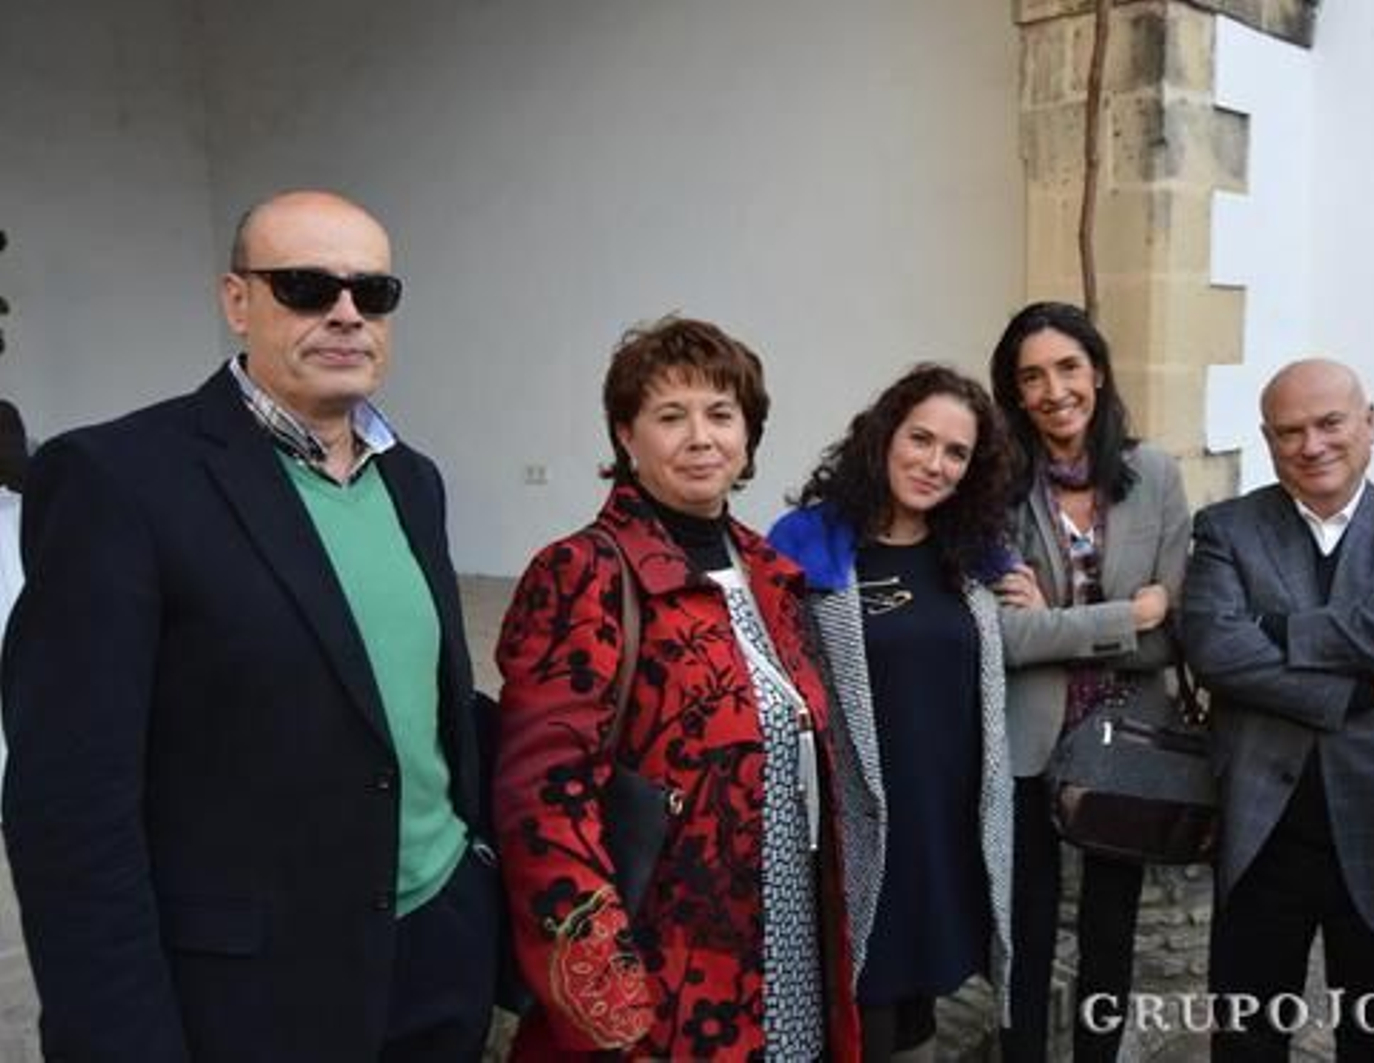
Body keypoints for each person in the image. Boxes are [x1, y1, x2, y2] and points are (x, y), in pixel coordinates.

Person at [1, 191, 496, 1062]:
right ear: (238, 301)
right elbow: (69, 811)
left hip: (433, 956)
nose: (345, 313)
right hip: (257, 995)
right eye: (307, 286)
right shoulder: (117, 481)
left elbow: (420, 714)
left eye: (372, 292)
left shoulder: (413, 481)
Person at [493, 316, 859, 1061]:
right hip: (660, 978)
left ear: (748, 436)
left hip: (784, 947)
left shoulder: (770, 577)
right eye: (670, 415)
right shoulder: (584, 574)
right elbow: (543, 803)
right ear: (626, 437)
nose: (701, 436)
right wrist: (606, 997)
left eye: (721, 414)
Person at [1181, 358, 1374, 1061]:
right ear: (1267, 438)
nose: (1311, 445)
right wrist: (1348, 689)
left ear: (1369, 423)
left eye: (1330, 423)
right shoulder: (1227, 528)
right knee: (1247, 1041)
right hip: (1264, 832)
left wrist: (1280, 630)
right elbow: (1217, 648)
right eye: (1289, 431)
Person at [769, 364, 1016, 1061]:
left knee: (916, 1008)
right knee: (858, 1008)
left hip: (944, 821)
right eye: (921, 438)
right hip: (856, 825)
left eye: (956, 452)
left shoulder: (972, 555)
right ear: (885, 435)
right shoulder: (808, 543)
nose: (934, 463)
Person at [986, 301, 1192, 1062]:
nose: (1054, 390)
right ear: (1015, 392)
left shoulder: (1156, 474)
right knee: (1024, 930)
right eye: (1031, 376)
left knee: (1111, 932)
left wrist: (1060, 622)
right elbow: (1006, 638)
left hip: (1129, 738)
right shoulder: (997, 487)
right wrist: (1121, 615)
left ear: (1097, 372)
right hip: (1026, 741)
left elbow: (1173, 630)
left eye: (1068, 367)